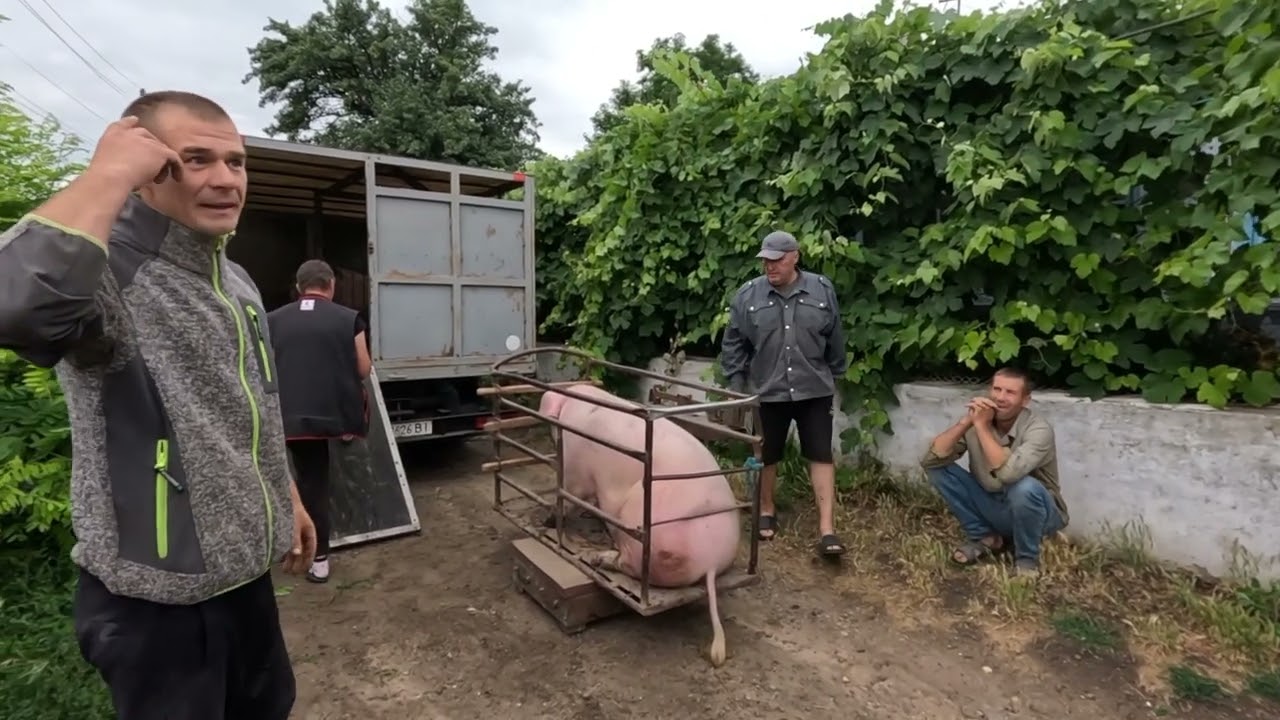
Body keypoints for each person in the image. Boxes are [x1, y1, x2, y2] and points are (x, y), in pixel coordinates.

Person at [0, 91, 316, 719]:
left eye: (236, 161)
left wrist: (289, 497)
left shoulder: (238, 283)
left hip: (244, 585)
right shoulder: (110, 271)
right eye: (195, 160)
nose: (225, 179)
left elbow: (253, 406)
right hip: (157, 605)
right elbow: (17, 308)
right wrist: (106, 175)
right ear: (149, 170)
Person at [719, 230, 849, 557]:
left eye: (776, 260)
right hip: (769, 390)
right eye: (765, 260)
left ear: (794, 257)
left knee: (821, 454)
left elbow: (835, 334)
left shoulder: (821, 289)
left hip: (814, 388)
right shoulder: (748, 296)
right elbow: (733, 341)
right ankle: (766, 510)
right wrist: (736, 384)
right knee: (768, 454)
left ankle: (827, 529)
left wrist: (835, 371)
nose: (770, 267)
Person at [267, 259, 373, 583]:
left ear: (299, 288)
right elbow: (363, 369)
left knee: (297, 482)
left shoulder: (271, 320)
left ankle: (297, 550)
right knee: (325, 482)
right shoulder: (349, 319)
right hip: (335, 417)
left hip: (288, 420)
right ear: (331, 285)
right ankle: (321, 559)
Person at [920, 367, 1069, 579]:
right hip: (993, 504)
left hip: (1040, 514)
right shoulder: (979, 419)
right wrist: (967, 422)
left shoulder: (1038, 429)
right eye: (997, 389)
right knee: (938, 470)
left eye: (1010, 392)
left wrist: (981, 427)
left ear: (1025, 400)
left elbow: (1008, 475)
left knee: (1023, 487)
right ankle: (987, 537)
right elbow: (930, 459)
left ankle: (1027, 559)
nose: (1000, 397)